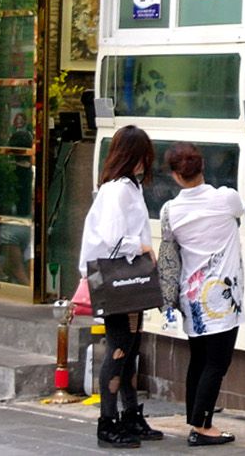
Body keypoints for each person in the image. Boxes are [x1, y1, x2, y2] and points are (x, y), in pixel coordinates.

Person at [79, 125, 163, 449]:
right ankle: (108, 422)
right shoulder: (118, 190)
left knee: (129, 349)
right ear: (133, 156)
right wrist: (142, 247)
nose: (146, 162)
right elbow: (113, 238)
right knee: (119, 349)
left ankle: (129, 415)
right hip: (118, 282)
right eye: (143, 155)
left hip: (127, 282)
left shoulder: (127, 187)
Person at [157, 142, 245, 447]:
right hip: (223, 298)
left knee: (199, 359)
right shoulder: (226, 198)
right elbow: (239, 213)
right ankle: (203, 426)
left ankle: (195, 419)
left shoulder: (169, 210)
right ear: (202, 166)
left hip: (192, 297)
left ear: (174, 175)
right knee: (217, 363)